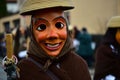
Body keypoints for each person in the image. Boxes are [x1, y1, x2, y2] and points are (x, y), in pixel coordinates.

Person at [16, 0, 91, 80]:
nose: (52, 35)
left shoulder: (79, 65)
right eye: (42, 27)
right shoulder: (23, 70)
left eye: (59, 25)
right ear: (32, 32)